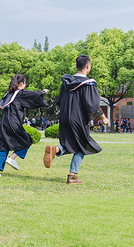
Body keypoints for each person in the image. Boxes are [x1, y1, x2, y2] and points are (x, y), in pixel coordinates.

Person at [43, 54, 109, 184]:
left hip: (64, 117)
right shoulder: (88, 84)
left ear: (76, 66)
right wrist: (103, 117)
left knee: (73, 144)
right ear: (88, 66)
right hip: (78, 119)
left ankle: (57, 150)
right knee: (83, 144)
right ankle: (71, 174)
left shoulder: (67, 82)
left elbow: (59, 101)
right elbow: (92, 105)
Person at [0, 74, 49, 178]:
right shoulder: (20, 93)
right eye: (24, 84)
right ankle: (12, 158)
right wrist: (42, 92)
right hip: (13, 123)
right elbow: (34, 95)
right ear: (21, 84)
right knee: (27, 140)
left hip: (4, 123)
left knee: (4, 147)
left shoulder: (8, 94)